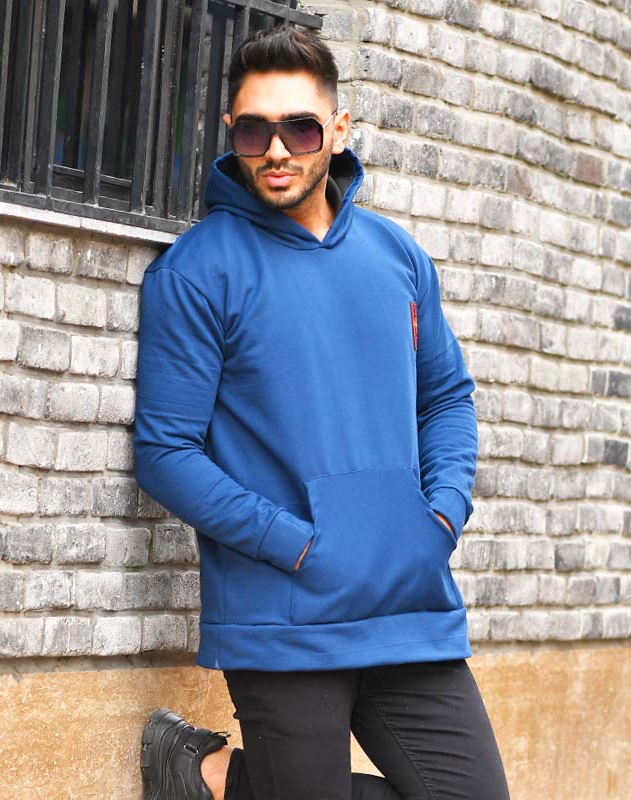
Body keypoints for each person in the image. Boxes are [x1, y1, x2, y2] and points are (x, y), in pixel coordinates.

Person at [133, 23, 510, 800]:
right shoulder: (198, 271)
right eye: (253, 130)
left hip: (406, 602)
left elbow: (446, 398)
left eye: (299, 128)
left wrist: (440, 517)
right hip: (284, 615)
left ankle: (215, 778)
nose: (276, 150)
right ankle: (205, 770)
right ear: (230, 132)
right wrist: (298, 546)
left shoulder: (396, 255)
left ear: (337, 130)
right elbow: (166, 454)